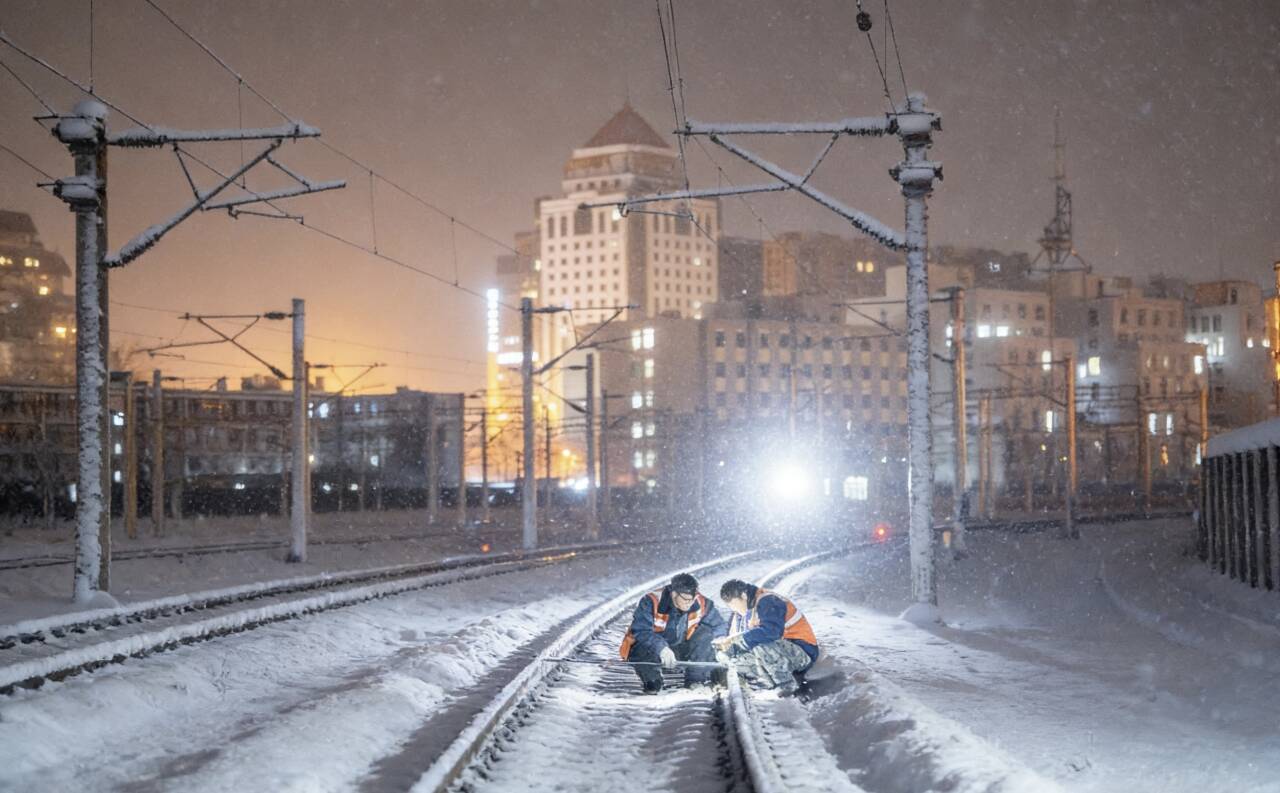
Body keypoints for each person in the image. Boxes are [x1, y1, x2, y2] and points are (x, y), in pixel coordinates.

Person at [619, 572, 727, 693]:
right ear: (674, 593)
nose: (689, 603)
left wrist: (721, 641)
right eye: (685, 599)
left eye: (692, 599)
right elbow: (642, 631)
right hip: (653, 650)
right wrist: (662, 648)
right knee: (642, 650)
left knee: (706, 634)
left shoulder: (701, 602)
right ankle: (653, 682)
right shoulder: (651, 601)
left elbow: (719, 625)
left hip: (681, 647)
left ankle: (695, 681)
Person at [713, 579, 818, 691]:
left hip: (803, 650)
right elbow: (735, 636)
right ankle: (760, 686)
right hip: (781, 651)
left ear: (744, 595)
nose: (734, 609)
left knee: (759, 645)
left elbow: (771, 632)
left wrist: (741, 643)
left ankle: (787, 688)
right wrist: (729, 647)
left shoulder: (767, 601)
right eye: (730, 607)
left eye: (734, 605)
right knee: (731, 657)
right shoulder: (743, 611)